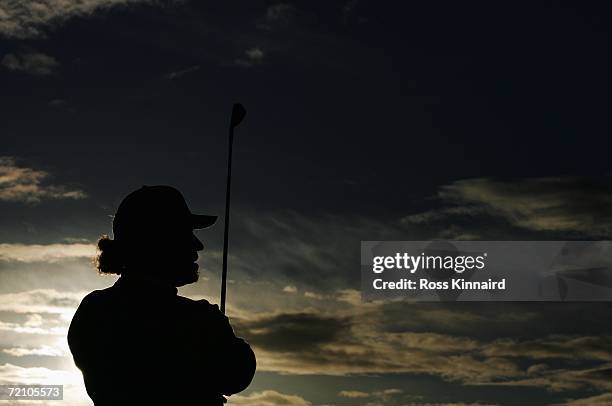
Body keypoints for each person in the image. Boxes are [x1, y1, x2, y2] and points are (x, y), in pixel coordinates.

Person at [68, 185, 256, 405]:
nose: (198, 245)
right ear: (157, 239)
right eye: (186, 233)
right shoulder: (197, 318)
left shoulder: (94, 308)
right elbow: (238, 374)